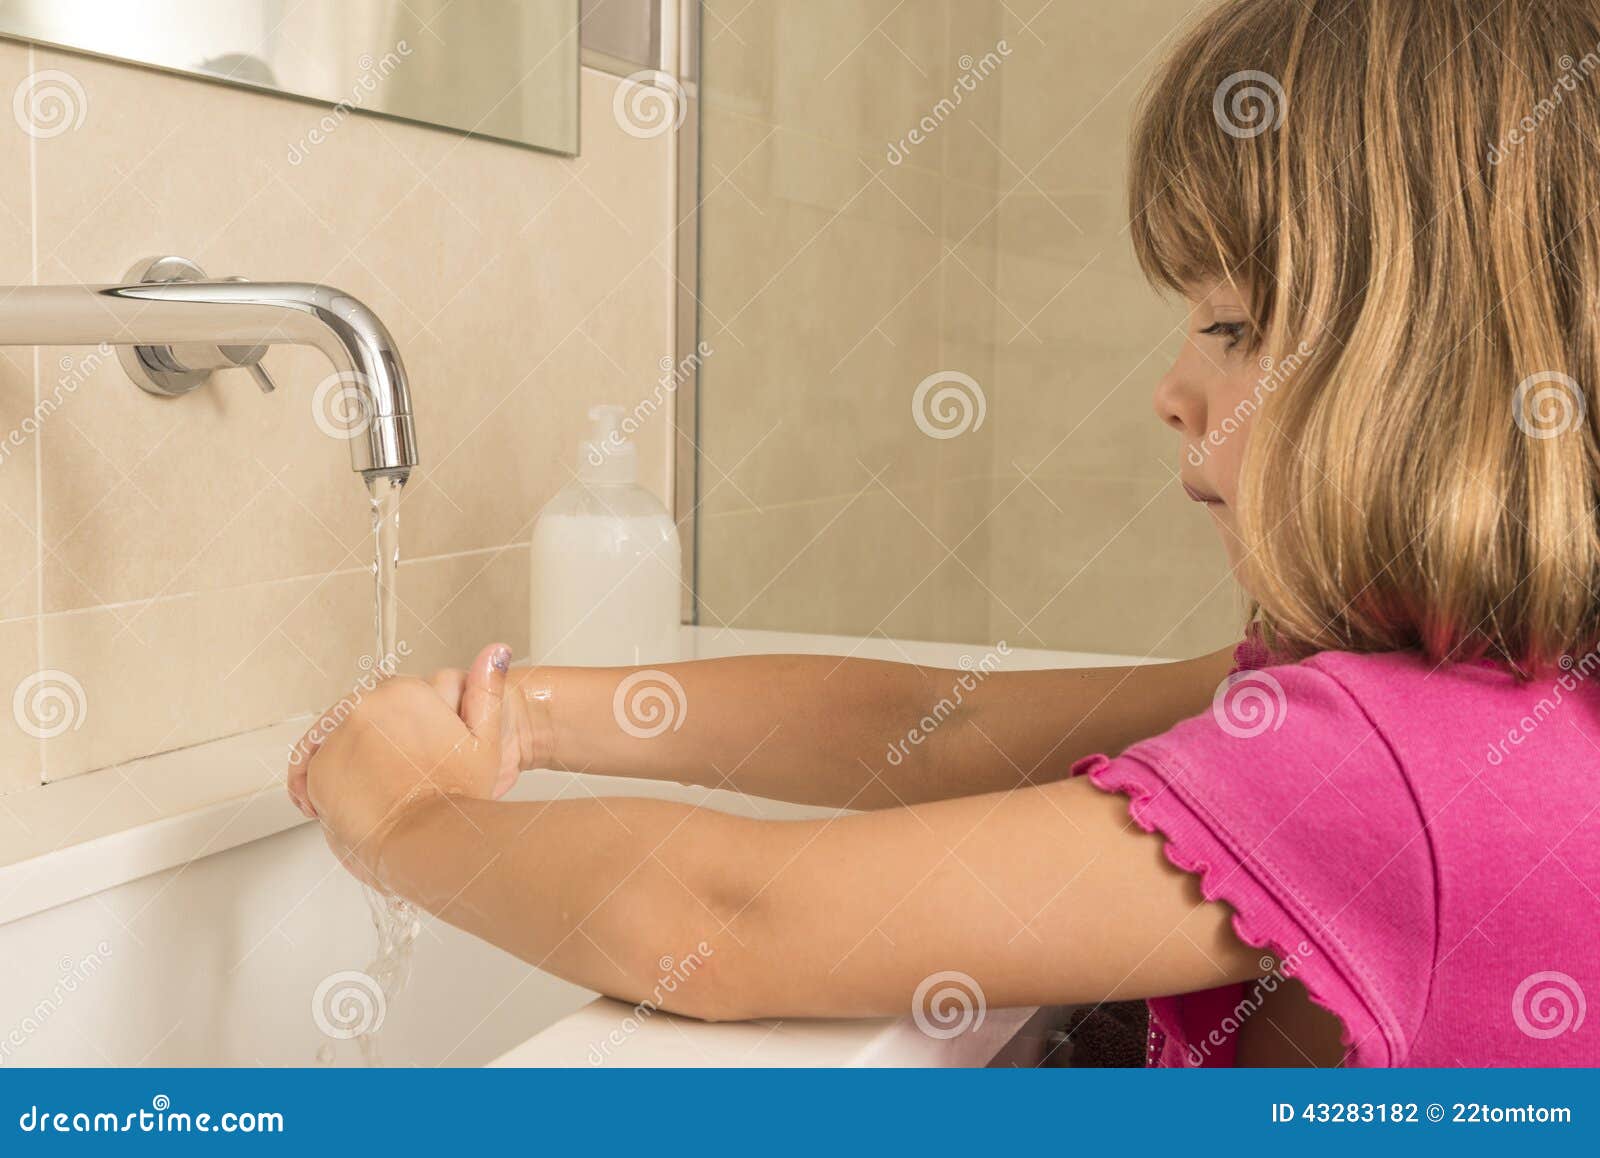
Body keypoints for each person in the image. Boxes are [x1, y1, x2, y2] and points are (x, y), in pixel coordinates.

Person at [286, 0, 1600, 1067]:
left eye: (1235, 326)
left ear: (1429, 372)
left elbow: (726, 923)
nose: (1172, 387)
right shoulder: (1459, 699)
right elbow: (938, 726)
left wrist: (397, 818)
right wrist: (535, 717)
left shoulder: (1384, 769)